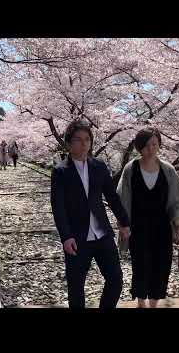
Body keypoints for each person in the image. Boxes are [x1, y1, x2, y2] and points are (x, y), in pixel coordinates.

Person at [50, 121, 130, 309]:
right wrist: (66, 236)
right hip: (77, 237)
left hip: (102, 234)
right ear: (69, 144)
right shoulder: (61, 171)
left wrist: (124, 222)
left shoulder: (99, 166)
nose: (84, 144)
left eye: (87, 139)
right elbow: (58, 206)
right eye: (78, 139)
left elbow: (112, 196)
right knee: (76, 286)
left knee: (116, 279)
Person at [116, 127, 179, 308]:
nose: (151, 148)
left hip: (162, 228)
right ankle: (141, 302)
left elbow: (177, 200)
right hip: (138, 228)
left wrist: (178, 226)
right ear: (139, 147)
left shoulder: (168, 170)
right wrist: (123, 225)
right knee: (140, 266)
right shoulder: (130, 169)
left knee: (161, 266)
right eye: (147, 145)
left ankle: (154, 303)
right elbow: (122, 198)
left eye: (155, 144)